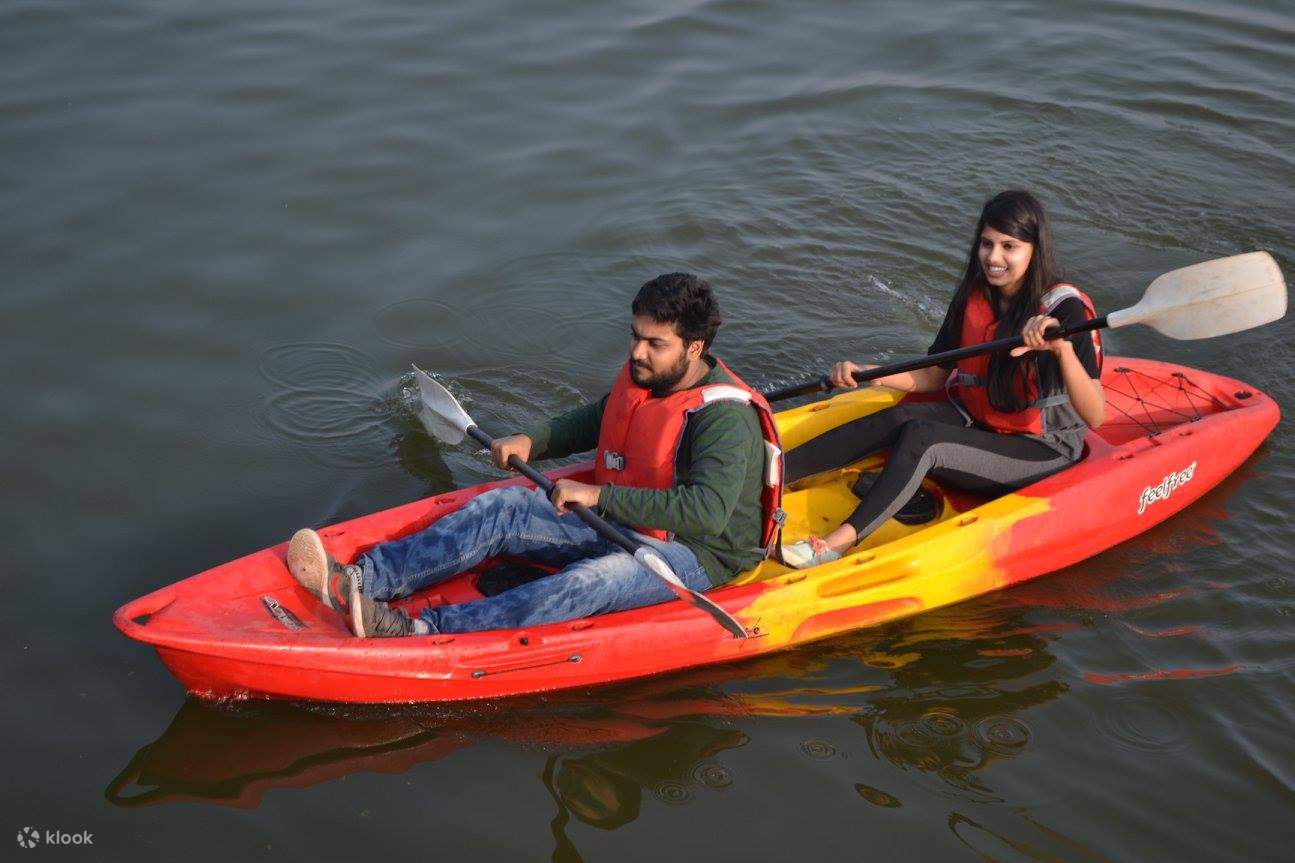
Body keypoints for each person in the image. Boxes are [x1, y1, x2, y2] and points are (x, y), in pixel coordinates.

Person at [287, 273, 784, 637]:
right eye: (635, 335)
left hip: (699, 553)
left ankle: (416, 629)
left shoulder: (724, 419)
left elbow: (708, 514)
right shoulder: (652, 375)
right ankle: (359, 579)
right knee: (500, 507)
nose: (637, 352)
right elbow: (602, 417)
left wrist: (596, 494)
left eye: (655, 343)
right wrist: (533, 440)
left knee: (589, 583)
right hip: (631, 517)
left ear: (694, 349)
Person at [779, 190, 1105, 569]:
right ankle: (767, 479)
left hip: (1041, 447)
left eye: (1009, 247)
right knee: (898, 420)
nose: (993, 258)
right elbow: (933, 376)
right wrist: (868, 374)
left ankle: (834, 545)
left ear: (1034, 250)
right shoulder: (974, 295)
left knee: (924, 438)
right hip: (978, 420)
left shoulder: (1066, 310)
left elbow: (1095, 415)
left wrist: (1062, 349)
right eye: (987, 244)